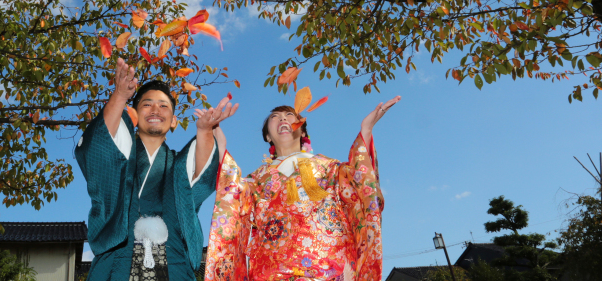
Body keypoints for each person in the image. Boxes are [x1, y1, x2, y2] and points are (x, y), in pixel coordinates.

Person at [200, 96, 399, 281]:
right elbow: (231, 194)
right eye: (275, 117)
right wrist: (220, 143)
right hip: (273, 272)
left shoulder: (329, 167)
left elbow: (360, 183)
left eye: (289, 116)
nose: (282, 119)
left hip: (331, 268)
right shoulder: (256, 180)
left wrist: (366, 130)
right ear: (268, 137)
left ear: (302, 131)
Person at [75, 58, 238, 281]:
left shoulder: (179, 164)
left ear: (173, 121)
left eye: (164, 106)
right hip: (118, 260)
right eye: (146, 104)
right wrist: (121, 96)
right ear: (135, 114)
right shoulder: (121, 153)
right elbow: (99, 146)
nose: (155, 110)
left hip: (172, 263)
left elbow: (200, 173)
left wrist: (204, 131)